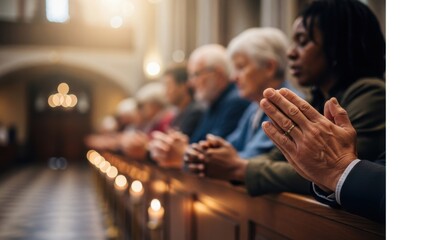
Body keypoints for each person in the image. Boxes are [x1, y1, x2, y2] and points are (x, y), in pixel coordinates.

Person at [186, 0, 385, 197]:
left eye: (303, 41)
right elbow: (280, 155)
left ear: (339, 42)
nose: (290, 53)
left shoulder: (371, 94)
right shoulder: (318, 97)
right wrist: (216, 156)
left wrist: (238, 168)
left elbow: (337, 172)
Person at [184, 27, 304, 181]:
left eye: (240, 67)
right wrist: (207, 150)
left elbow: (252, 157)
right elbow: (232, 145)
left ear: (269, 67)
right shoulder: (254, 107)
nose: (233, 78)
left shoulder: (290, 106)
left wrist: (208, 157)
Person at [260, 88, 385, 223]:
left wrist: (338, 171)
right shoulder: (317, 96)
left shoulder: (369, 93)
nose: (290, 65)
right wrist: (329, 181)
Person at [149, 44, 250, 167]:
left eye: (196, 74)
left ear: (217, 74)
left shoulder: (235, 102)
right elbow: (197, 143)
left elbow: (214, 156)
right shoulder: (212, 103)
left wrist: (183, 151)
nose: (191, 83)